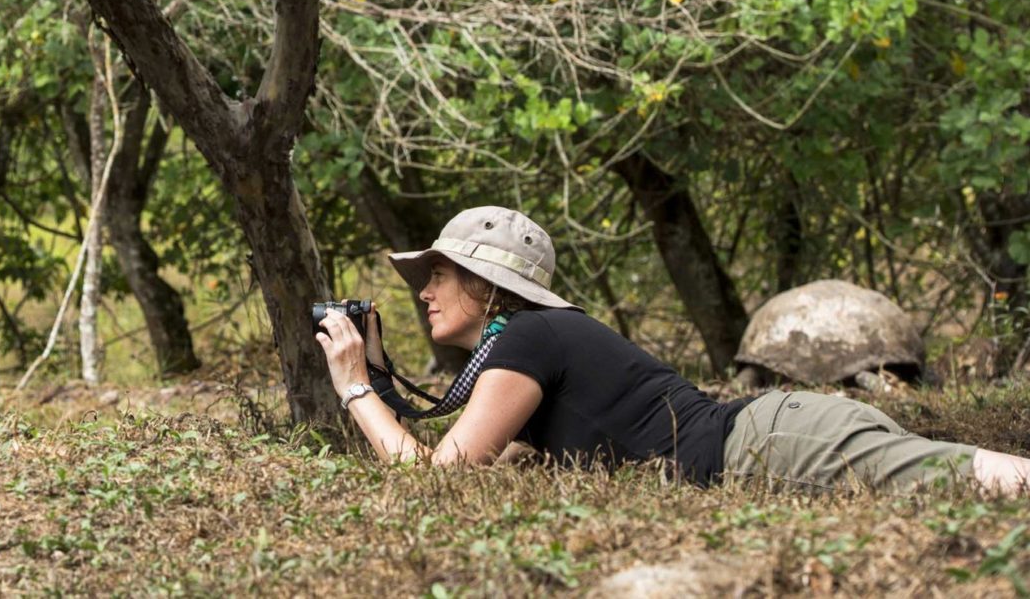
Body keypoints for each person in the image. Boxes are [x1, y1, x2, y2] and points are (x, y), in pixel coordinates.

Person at [315, 205, 1030, 494]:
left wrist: (355, 386)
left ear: (486, 283)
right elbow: (497, 469)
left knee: (961, 478)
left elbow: (439, 481)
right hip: (773, 435)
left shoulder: (530, 336)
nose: (425, 291)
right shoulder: (529, 346)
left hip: (774, 441)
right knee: (955, 475)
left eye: (438, 274)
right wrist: (384, 378)